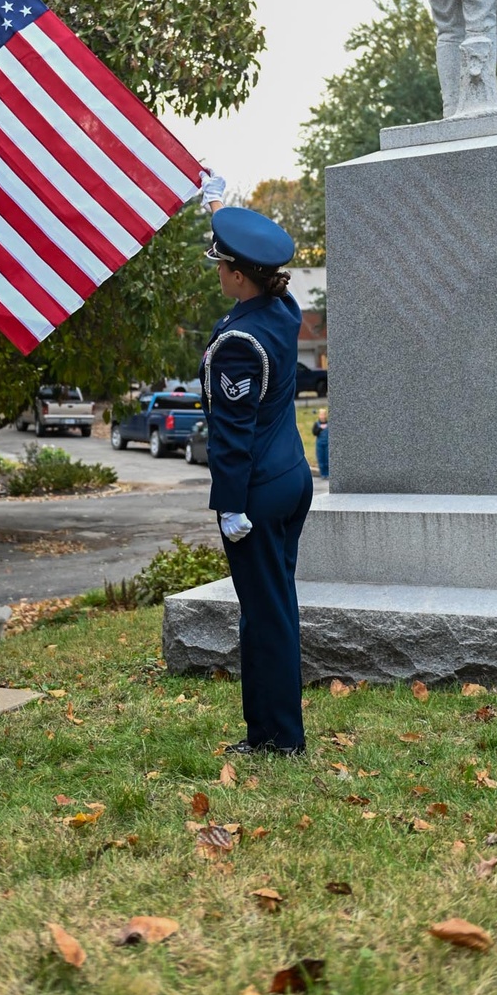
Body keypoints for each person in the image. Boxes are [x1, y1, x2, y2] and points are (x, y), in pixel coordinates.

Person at [198, 175, 314, 756]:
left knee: (266, 615)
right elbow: (252, 247)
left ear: (241, 277)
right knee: (273, 607)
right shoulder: (282, 307)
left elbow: (231, 435)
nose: (217, 271)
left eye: (222, 266)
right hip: (291, 476)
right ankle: (269, 728)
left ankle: (279, 739)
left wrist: (230, 503)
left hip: (258, 491)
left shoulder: (240, 342)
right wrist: (216, 206)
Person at [312, 409, 329, 479]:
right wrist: (319, 429)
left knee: (327, 459)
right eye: (321, 415)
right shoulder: (316, 424)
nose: (322, 416)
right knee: (321, 459)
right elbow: (314, 432)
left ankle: (328, 474)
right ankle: (323, 474)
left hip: (328, 444)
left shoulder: (329, 424)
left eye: (323, 415)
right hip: (320, 444)